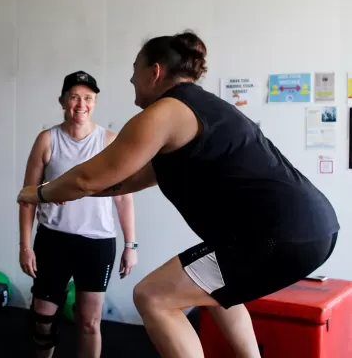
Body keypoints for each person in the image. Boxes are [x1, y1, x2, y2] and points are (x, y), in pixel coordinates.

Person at [17, 31, 340, 358]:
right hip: (314, 229)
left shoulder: (165, 113)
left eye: (135, 68)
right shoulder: (203, 108)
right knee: (217, 295)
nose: (131, 78)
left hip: (276, 235)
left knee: (152, 296)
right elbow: (121, 182)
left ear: (154, 72)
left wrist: (37, 194)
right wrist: (68, 194)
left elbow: (87, 177)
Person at [19, 70, 138, 358]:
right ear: (62, 101)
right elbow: (28, 197)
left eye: (88, 98)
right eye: (74, 97)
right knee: (43, 320)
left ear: (95, 102)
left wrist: (130, 245)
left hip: (96, 244)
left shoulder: (109, 142)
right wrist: (25, 246)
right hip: (53, 241)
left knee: (89, 323)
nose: (81, 104)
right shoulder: (47, 140)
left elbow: (123, 198)